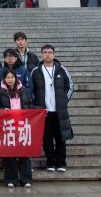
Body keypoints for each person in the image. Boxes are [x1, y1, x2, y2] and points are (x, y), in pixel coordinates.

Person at [31, 44, 74, 173]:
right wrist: (37, 105)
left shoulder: (61, 69)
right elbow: (30, 89)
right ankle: (50, 162)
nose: (47, 54)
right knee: (47, 139)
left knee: (61, 138)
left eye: (50, 52)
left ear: (54, 54)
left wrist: (63, 101)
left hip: (59, 111)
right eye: (45, 52)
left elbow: (70, 86)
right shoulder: (36, 71)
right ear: (41, 54)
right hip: (44, 112)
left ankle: (61, 163)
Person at [0, 70, 35, 188]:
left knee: (24, 152)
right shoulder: (0, 92)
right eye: (8, 78)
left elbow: (29, 105)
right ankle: (11, 179)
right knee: (9, 153)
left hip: (22, 124)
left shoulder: (24, 90)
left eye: (12, 77)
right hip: (8, 126)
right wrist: (3, 110)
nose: (10, 80)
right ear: (4, 79)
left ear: (16, 78)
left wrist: (41, 110)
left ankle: (26, 179)